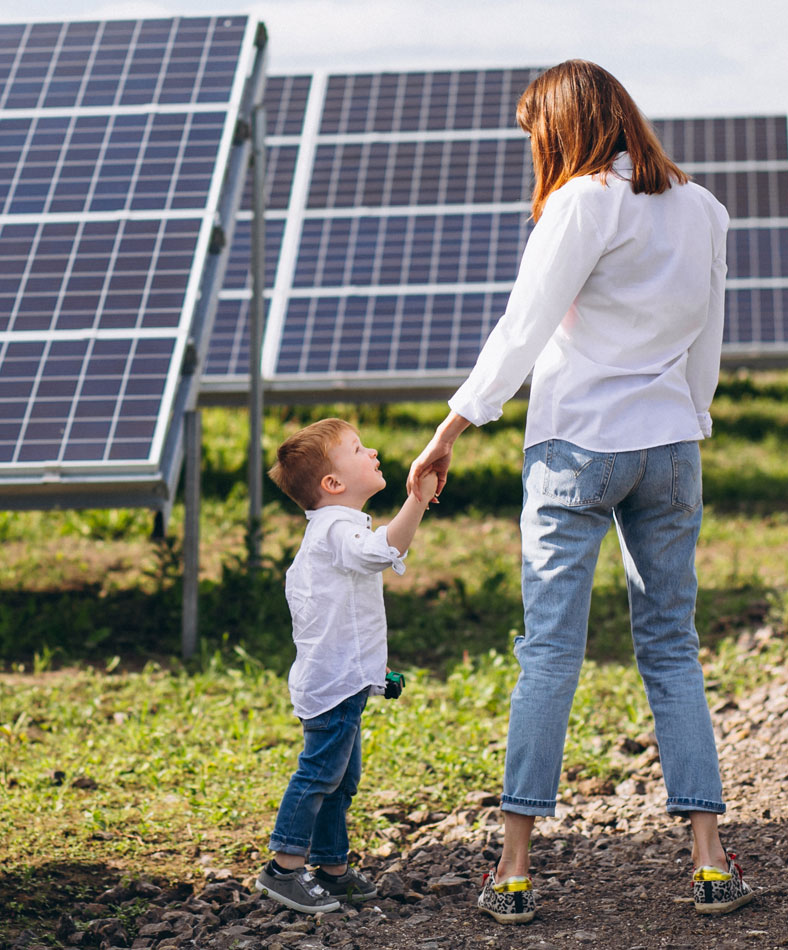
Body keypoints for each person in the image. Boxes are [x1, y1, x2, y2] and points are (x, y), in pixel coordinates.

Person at [406, 59, 755, 924]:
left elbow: (523, 324)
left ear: (561, 127)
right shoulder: (703, 208)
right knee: (671, 646)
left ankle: (515, 869)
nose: (533, 148)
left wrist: (452, 427)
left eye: (535, 132)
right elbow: (708, 334)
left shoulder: (580, 201)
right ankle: (710, 859)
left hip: (575, 448)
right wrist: (692, 416)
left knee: (550, 653)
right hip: (670, 446)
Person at [253, 418, 439, 914]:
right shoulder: (336, 529)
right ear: (332, 484)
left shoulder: (337, 529)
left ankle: (332, 868)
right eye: (358, 449)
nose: (372, 452)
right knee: (319, 776)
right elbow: (383, 553)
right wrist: (416, 500)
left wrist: (376, 677)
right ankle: (284, 868)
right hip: (333, 686)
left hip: (344, 682)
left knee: (341, 779)